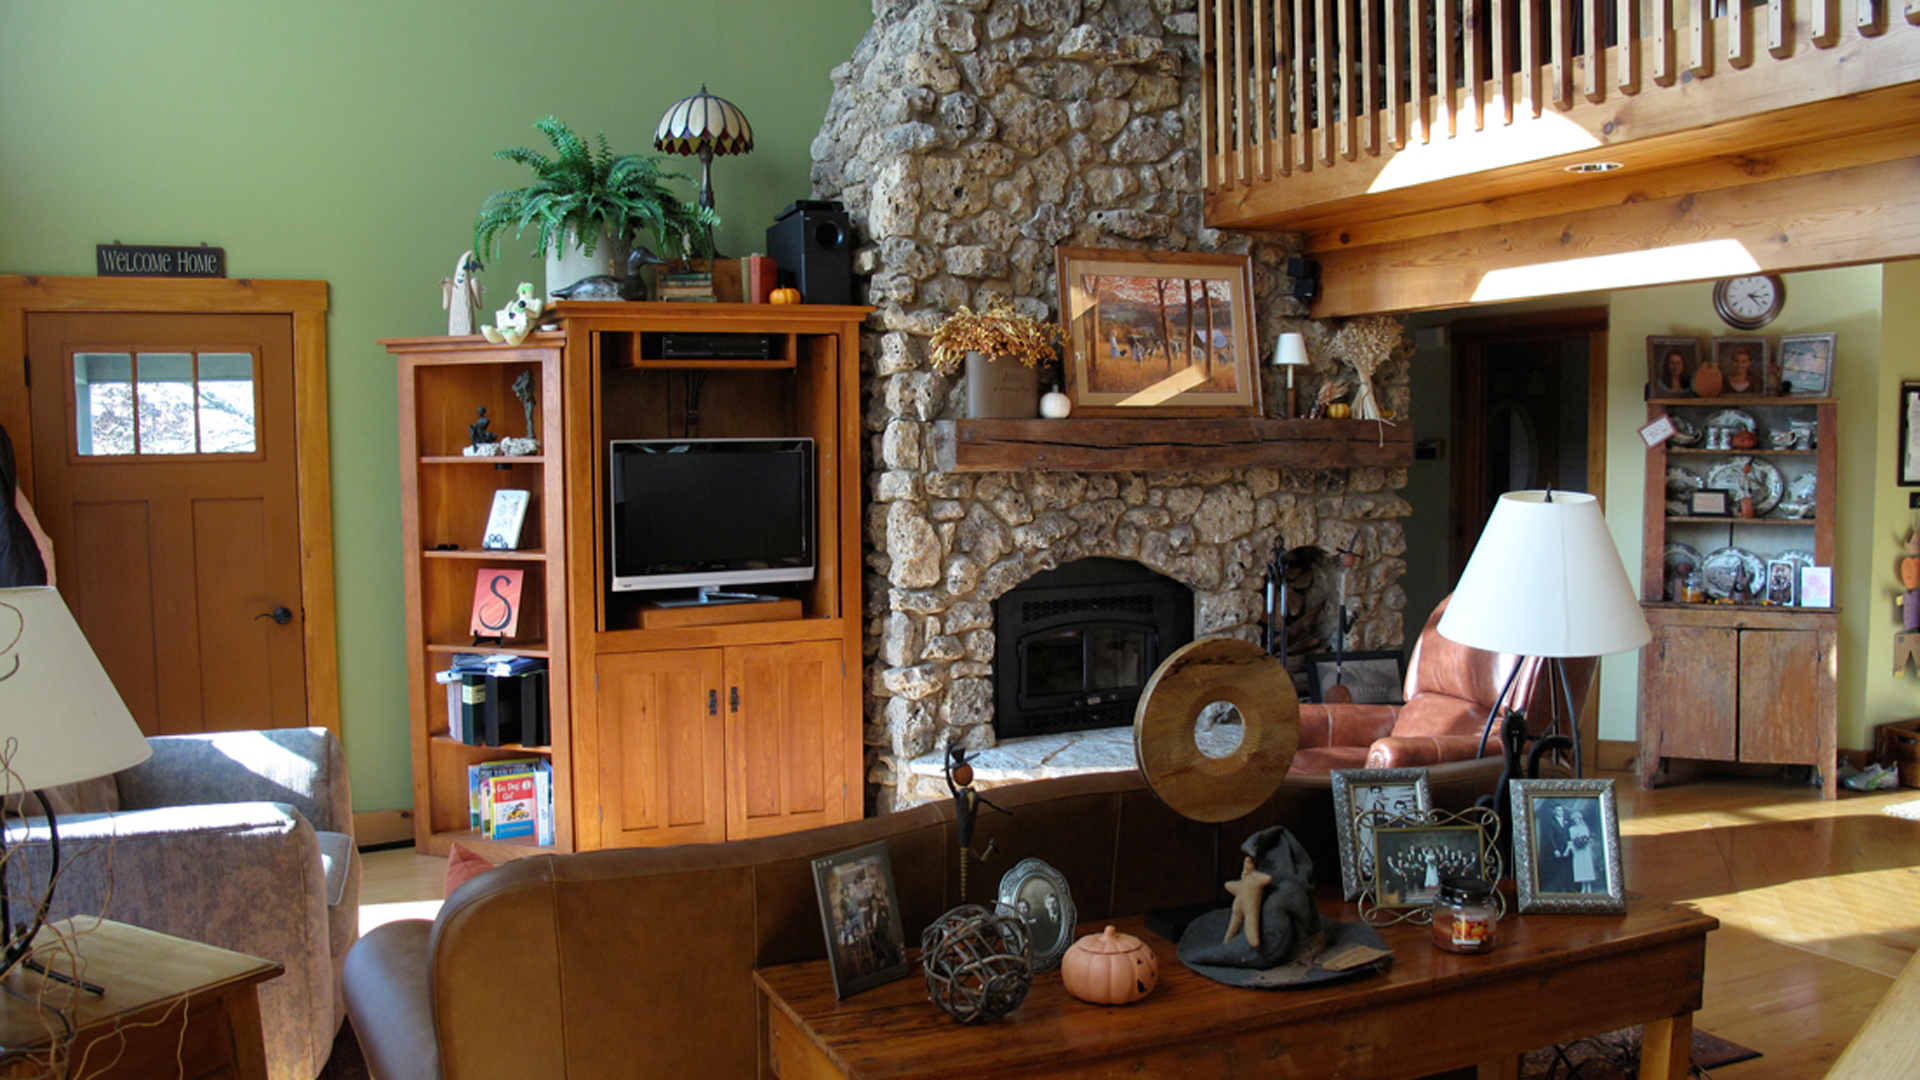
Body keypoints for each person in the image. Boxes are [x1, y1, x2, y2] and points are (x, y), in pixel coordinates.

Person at [1567, 807, 1598, 893]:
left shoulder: (1584, 828)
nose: (1576, 820)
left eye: (1577, 818)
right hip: (1577, 850)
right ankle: (1583, 886)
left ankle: (1589, 886)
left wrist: (1584, 844)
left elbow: (1587, 838)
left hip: (1585, 850)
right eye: (1574, 819)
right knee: (1580, 868)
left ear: (1580, 819)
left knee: (1586, 866)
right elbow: (1572, 840)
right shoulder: (1571, 829)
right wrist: (1576, 845)